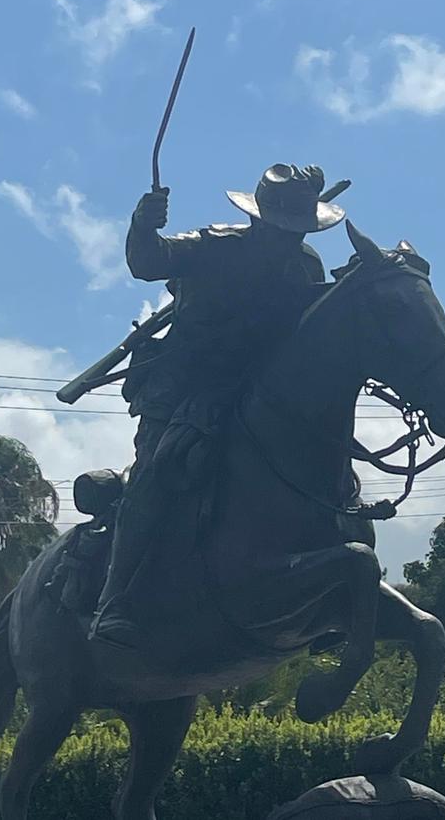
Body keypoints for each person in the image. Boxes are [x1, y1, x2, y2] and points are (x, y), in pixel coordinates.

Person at [90, 162, 348, 648]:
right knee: (156, 476)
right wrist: (143, 225)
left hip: (252, 393)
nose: (289, 240)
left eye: (298, 232)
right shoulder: (213, 246)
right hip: (183, 389)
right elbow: (149, 262)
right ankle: (114, 600)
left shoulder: (305, 266)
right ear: (258, 220)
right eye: (282, 230)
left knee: (325, 467)